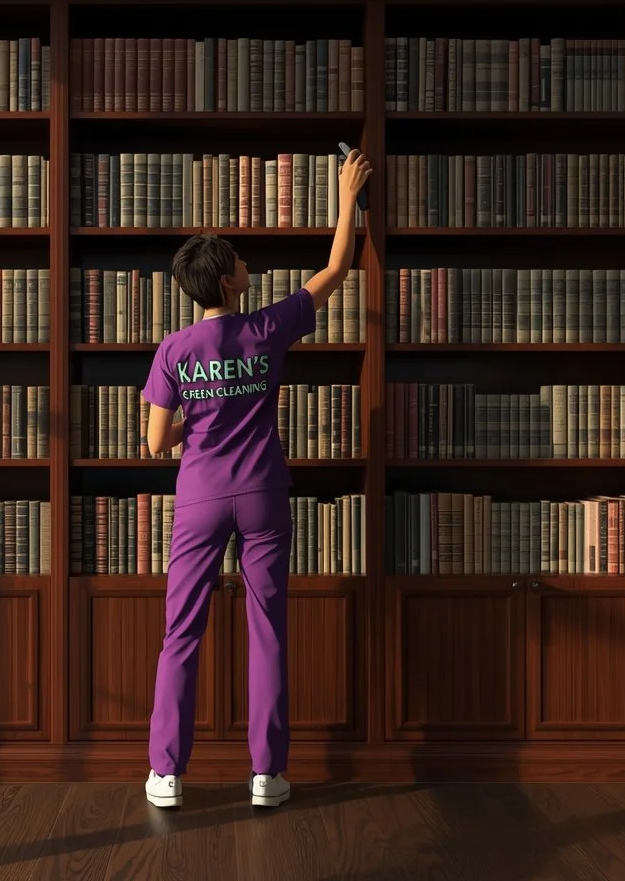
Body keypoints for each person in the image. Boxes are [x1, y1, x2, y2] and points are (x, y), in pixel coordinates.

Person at [140, 147, 373, 809]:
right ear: (228, 284)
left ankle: (166, 774)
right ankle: (267, 775)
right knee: (267, 629)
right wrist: (346, 197)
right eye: (240, 262)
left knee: (181, 632)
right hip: (264, 492)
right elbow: (336, 268)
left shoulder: (174, 350)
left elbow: (155, 441)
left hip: (201, 498)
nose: (248, 265)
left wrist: (196, 420)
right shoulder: (268, 328)